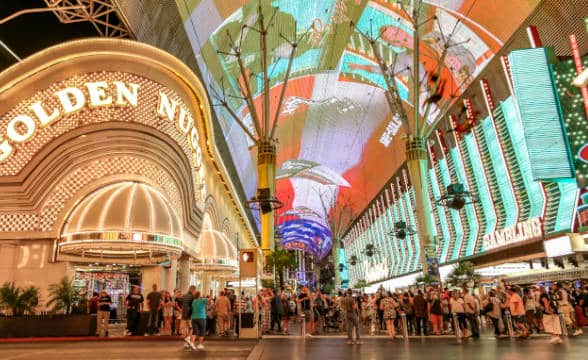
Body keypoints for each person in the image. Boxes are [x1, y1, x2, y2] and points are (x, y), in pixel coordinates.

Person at [180, 286, 195, 350]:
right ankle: (188, 338)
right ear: (193, 290)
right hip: (190, 315)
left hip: (183, 314)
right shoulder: (192, 297)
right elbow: (193, 306)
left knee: (184, 329)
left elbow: (181, 303)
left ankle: (186, 343)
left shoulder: (184, 296)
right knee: (191, 328)